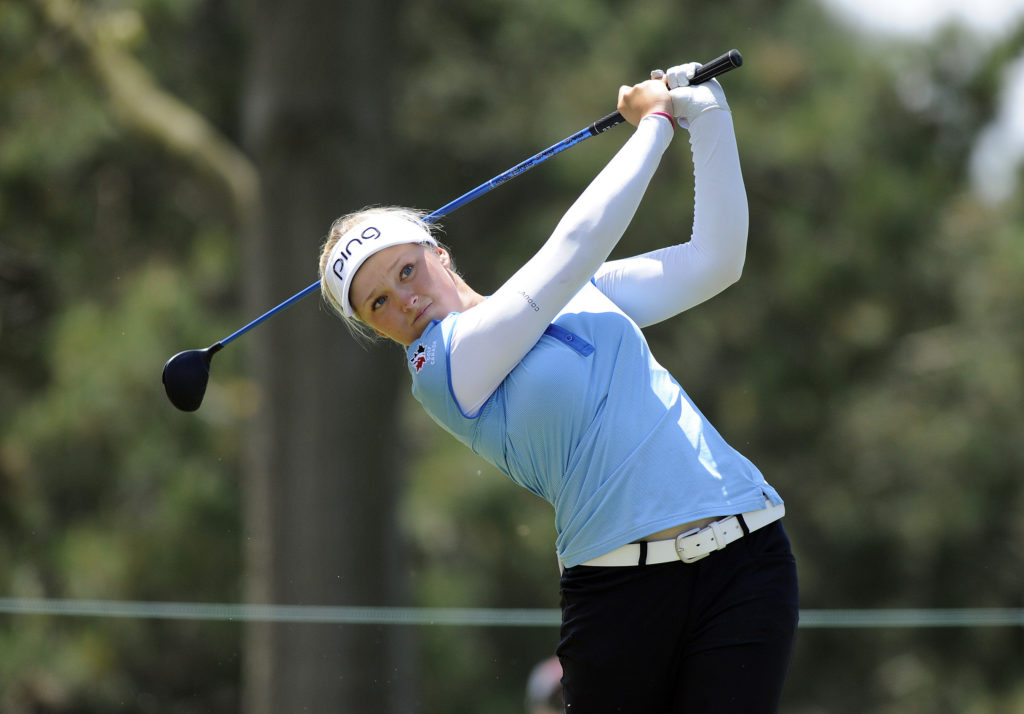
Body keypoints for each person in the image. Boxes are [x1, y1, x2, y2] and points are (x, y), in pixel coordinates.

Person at [318, 61, 798, 713]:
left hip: (746, 556)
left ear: (440, 253)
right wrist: (655, 124)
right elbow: (575, 244)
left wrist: (706, 113)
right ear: (377, 329)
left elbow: (716, 261)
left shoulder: (576, 295)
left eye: (406, 270)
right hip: (621, 598)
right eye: (378, 303)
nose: (404, 300)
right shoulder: (443, 369)